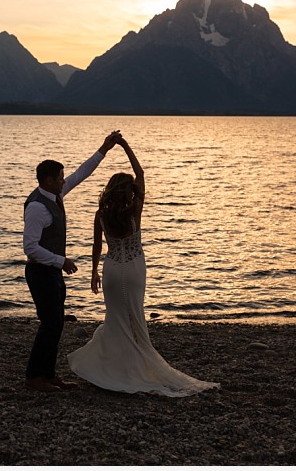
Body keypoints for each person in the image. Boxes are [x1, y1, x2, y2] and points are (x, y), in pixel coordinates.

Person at [67, 136, 219, 396]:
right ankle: (134, 366)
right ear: (128, 191)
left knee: (115, 319)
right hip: (135, 269)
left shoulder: (101, 214)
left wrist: (93, 273)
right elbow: (140, 172)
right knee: (135, 318)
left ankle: (115, 369)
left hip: (113, 270)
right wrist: (124, 145)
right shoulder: (135, 209)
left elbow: (96, 247)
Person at [23, 130, 122, 393]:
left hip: (52, 271)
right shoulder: (36, 207)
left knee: (56, 323)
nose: (64, 180)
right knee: (50, 323)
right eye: (59, 178)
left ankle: (48, 374)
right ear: (48, 180)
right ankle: (34, 376)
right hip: (40, 272)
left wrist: (104, 149)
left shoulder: (55, 195)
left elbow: (81, 173)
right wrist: (61, 260)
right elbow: (30, 248)